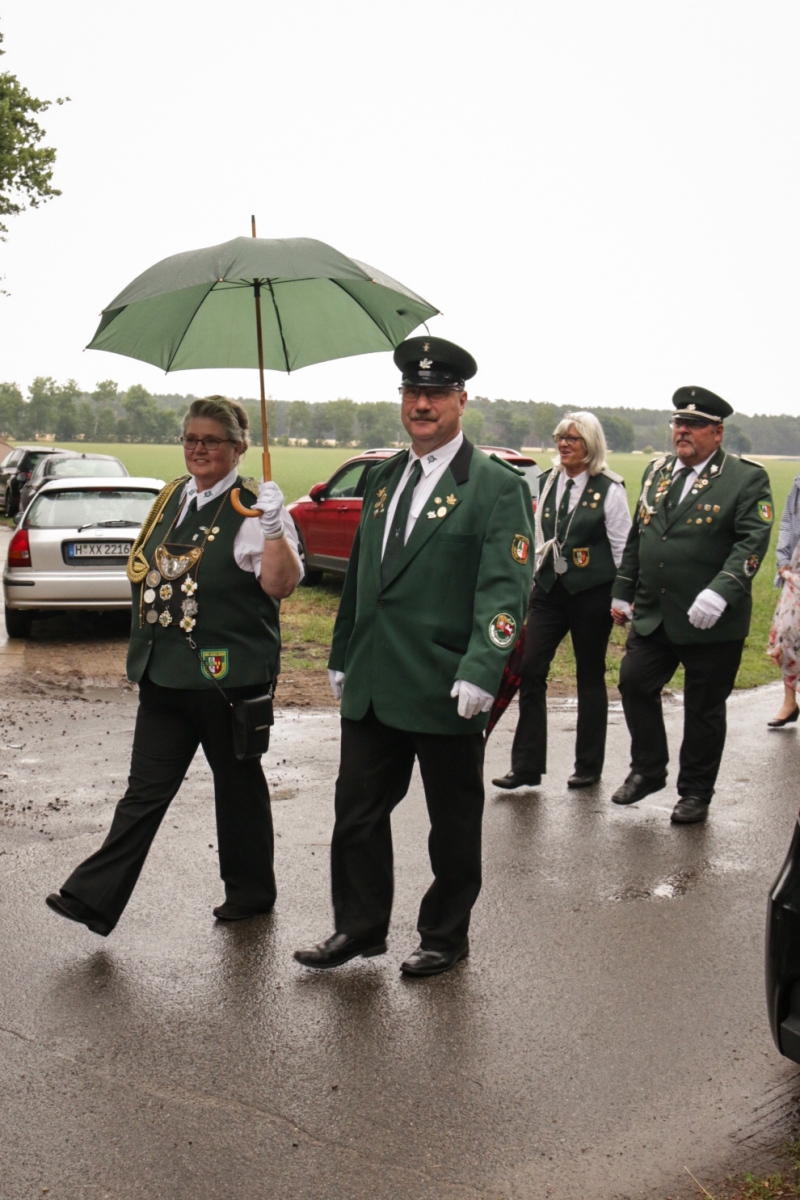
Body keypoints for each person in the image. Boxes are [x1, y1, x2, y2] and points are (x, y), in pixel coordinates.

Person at [294, 337, 534, 976]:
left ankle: (445, 936)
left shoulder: (494, 487)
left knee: (452, 824)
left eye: (435, 394)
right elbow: (360, 577)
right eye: (412, 392)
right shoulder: (382, 478)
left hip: (444, 683)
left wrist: (482, 668)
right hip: (374, 679)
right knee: (357, 814)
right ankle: (358, 928)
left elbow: (505, 592)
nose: (421, 405)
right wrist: (342, 651)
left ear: (461, 400)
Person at [46, 396, 302, 934]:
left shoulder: (254, 508)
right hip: (162, 673)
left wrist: (275, 529)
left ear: (238, 447)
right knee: (143, 793)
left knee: (238, 788)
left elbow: (280, 586)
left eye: (212, 441)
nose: (199, 449)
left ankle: (251, 893)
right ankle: (92, 898)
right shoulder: (171, 498)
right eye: (191, 439)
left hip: (226, 678)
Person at [610, 386, 774, 824]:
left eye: (695, 425)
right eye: (679, 423)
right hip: (655, 612)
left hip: (711, 618)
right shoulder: (657, 471)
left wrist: (721, 590)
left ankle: (696, 792)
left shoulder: (744, 478)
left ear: (717, 433)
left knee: (703, 707)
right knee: (634, 683)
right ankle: (649, 769)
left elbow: (752, 542)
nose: (683, 431)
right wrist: (624, 587)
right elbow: (640, 533)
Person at [492, 411, 631, 791]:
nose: (564, 444)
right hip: (550, 591)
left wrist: (624, 597)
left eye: (573, 439)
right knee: (530, 668)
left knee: (590, 675)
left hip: (592, 593)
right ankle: (526, 766)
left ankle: (588, 765)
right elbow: (539, 537)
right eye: (560, 438)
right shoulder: (548, 481)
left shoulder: (610, 488)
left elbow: (623, 548)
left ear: (590, 444)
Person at [767, 469, 800, 726]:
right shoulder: (799, 483)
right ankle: (790, 702)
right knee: (788, 631)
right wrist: (782, 558)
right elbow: (788, 521)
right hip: (797, 567)